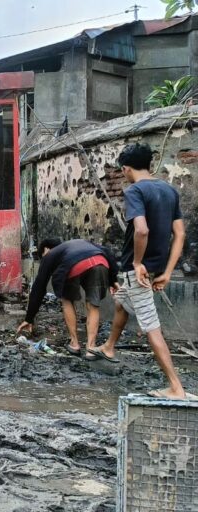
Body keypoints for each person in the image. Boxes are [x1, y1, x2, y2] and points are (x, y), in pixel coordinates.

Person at [93, 143, 186, 399]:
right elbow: (179, 235)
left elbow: (142, 230)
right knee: (121, 302)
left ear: (126, 168)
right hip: (156, 268)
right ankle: (110, 347)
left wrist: (136, 262)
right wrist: (167, 271)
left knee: (151, 327)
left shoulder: (135, 190)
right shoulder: (169, 190)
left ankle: (176, 387)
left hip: (140, 271)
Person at [17, 238, 118, 358]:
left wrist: (29, 319)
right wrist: (113, 280)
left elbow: (38, 287)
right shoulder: (81, 243)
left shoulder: (49, 255)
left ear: (46, 250)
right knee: (93, 305)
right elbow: (107, 252)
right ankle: (91, 348)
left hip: (73, 265)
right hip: (100, 261)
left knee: (67, 300)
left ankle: (74, 344)